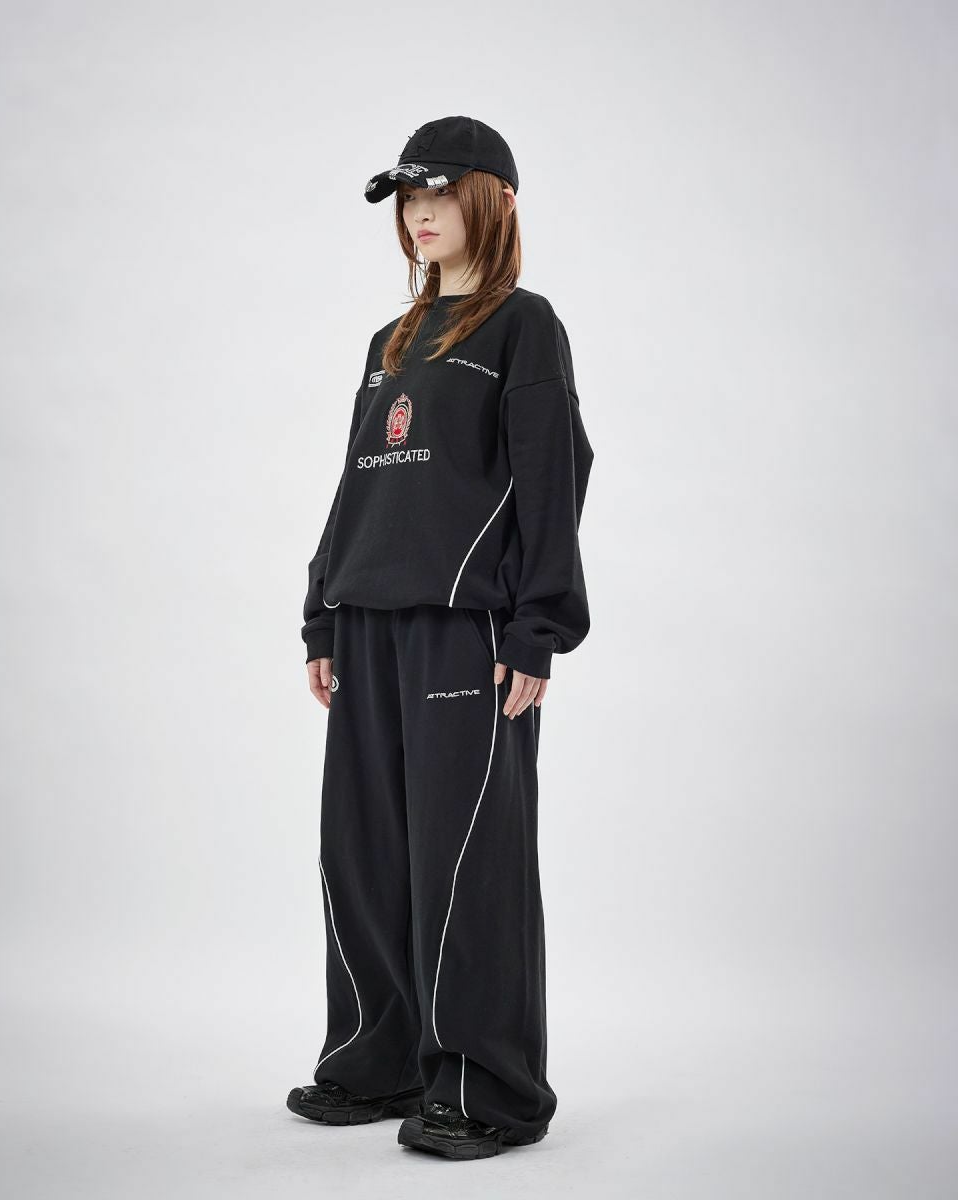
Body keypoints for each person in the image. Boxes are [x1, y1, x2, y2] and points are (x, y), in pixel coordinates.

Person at [285, 115, 595, 1161]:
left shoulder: (524, 327)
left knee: (465, 860)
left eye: (437, 193)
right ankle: (380, 1060)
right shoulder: (391, 341)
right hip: (367, 624)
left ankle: (487, 1087)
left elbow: (552, 477)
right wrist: (323, 611)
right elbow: (357, 485)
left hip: (468, 630)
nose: (419, 214)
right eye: (407, 199)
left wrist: (538, 627)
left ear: (490, 202)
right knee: (363, 853)